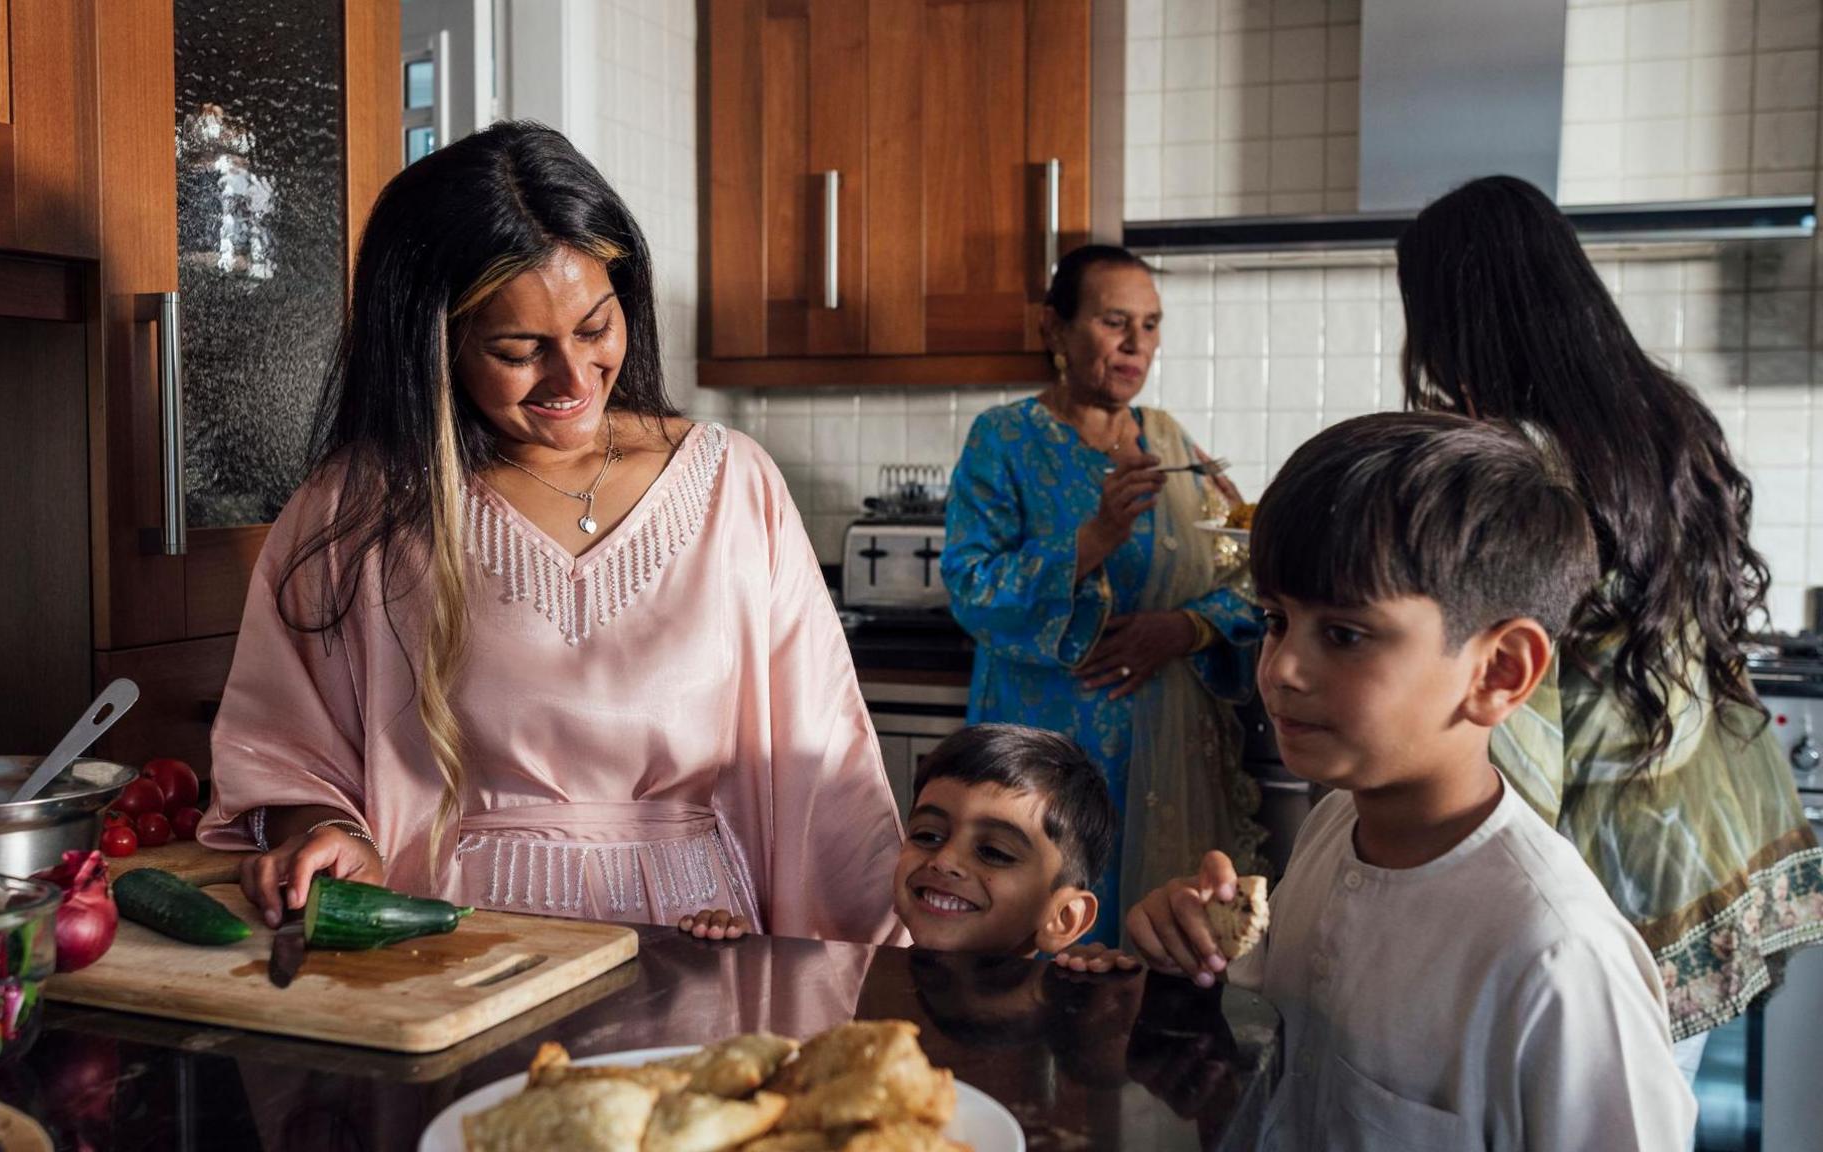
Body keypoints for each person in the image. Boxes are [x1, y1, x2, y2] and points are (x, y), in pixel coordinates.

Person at [196, 121, 905, 945]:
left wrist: (884, 972)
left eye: (596, 328)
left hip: (700, 946)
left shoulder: (733, 485)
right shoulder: (359, 507)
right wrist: (326, 829)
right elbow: (288, 745)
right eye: (520, 348)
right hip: (459, 950)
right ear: (435, 344)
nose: (573, 378)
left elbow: (829, 774)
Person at [1099, 414, 1695, 1149]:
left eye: (1345, 635)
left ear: (1499, 672)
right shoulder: (1335, 826)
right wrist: (1198, 951)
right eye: (1276, 619)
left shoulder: (1557, 960)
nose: (1280, 667)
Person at [1397, 175, 1823, 1061]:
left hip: (1598, 862)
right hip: (1698, 823)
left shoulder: (1510, 464)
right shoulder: (1662, 419)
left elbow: (1509, 712)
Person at [940, 245, 1265, 945]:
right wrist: (1096, 537)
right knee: (1039, 943)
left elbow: (1245, 572)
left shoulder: (1172, 444)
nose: (1135, 344)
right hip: (1047, 753)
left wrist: (1187, 629)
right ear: (1054, 329)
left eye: (1149, 325)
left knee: (1155, 958)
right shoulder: (1004, 440)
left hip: (1168, 750)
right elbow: (971, 587)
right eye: (1115, 321)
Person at [684, 723, 1114, 957]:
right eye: (927, 835)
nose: (944, 860)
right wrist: (734, 960)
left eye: (994, 852)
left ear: (1065, 918)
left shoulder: (1070, 1024)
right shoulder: (866, 979)